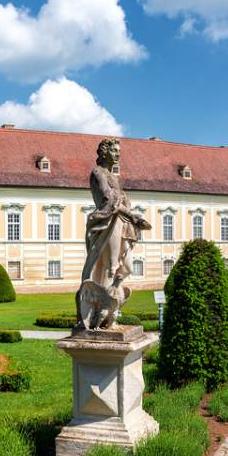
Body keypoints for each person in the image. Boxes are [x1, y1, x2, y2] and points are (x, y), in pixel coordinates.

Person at [77, 139, 151, 330]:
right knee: (110, 268)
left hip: (120, 223)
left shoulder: (113, 176)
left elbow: (118, 202)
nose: (118, 154)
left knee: (126, 268)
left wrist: (130, 216)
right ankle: (103, 316)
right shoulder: (98, 172)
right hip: (107, 224)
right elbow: (107, 199)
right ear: (104, 152)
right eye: (114, 151)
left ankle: (109, 308)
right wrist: (132, 216)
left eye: (119, 151)